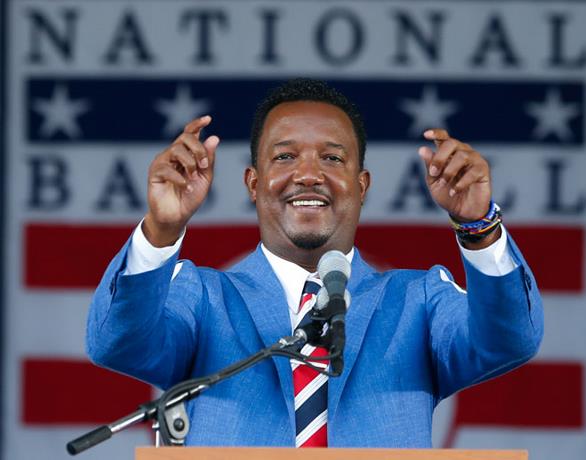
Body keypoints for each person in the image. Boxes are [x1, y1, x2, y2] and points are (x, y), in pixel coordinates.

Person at [87, 79, 543, 448]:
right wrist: (161, 229)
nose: (308, 174)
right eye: (285, 156)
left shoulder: (416, 303)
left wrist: (480, 226)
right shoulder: (205, 300)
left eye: (332, 157)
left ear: (361, 186)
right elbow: (117, 343)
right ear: (253, 183)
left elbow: (509, 339)